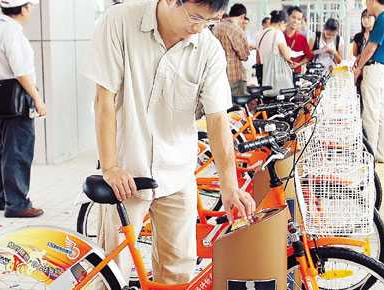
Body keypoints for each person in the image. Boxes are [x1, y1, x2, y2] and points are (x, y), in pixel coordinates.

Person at [80, 0, 256, 285]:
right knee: (112, 273)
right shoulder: (120, 21)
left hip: (177, 174)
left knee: (178, 273)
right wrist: (110, 167)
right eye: (195, 17)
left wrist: (229, 184)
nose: (199, 27)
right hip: (126, 173)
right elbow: (104, 99)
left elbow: (217, 119)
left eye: (209, 21)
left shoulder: (207, 48)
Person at [0, 0, 46, 218]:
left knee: (4, 148)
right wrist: (37, 99)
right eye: (30, 7)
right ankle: (18, 204)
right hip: (17, 101)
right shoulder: (12, 33)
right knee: (18, 150)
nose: (30, 11)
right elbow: (21, 72)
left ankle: (3, 198)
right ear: (23, 9)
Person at [353, 0, 384, 163]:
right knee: (380, 112)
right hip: (381, 70)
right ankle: (380, 153)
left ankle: (368, 155)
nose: (367, 5)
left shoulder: (382, 19)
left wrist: (358, 66)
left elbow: (371, 47)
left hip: (373, 70)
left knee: (370, 113)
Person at [213, 3, 250, 95]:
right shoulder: (237, 30)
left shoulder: (216, 27)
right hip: (234, 75)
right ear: (242, 16)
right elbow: (244, 56)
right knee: (236, 106)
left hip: (218, 74)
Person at [256, 10, 293, 88]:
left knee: (266, 97)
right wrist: (288, 49)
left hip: (263, 73)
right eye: (285, 26)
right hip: (275, 74)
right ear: (281, 23)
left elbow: (258, 59)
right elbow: (287, 56)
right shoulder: (277, 33)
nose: (285, 29)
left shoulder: (261, 34)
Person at [352, 9, 375, 97]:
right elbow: (355, 53)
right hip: (360, 68)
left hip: (373, 67)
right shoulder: (358, 37)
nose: (366, 20)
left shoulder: (376, 35)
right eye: (364, 17)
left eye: (369, 17)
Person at [284, 6, 312, 74]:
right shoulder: (280, 35)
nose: (296, 21)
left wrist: (298, 64)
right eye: (293, 17)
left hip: (295, 73)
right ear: (288, 17)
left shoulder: (302, 38)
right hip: (280, 72)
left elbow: (308, 56)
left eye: (299, 19)